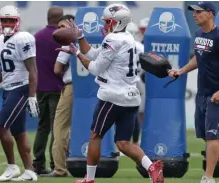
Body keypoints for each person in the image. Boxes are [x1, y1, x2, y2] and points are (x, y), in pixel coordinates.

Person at [57, 4, 164, 183]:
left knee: (95, 136)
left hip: (112, 96)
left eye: (108, 22)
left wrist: (76, 53)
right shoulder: (128, 37)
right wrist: (81, 37)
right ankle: (151, 167)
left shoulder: (113, 39)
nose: (105, 25)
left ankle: (89, 179)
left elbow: (94, 68)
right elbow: (92, 53)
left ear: (118, 22)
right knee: (123, 143)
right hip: (130, 97)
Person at [169, 2, 219, 183]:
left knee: (213, 136)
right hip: (203, 94)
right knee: (207, 136)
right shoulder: (198, 35)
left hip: (216, 96)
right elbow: (198, 58)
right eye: (193, 12)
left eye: (199, 12)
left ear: (210, 14)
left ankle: (208, 177)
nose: (194, 15)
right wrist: (181, 71)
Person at [0, 5, 38, 181]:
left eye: (10, 20)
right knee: (19, 132)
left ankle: (12, 166)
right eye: (4, 20)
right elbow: (2, 70)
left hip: (20, 88)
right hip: (7, 88)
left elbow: (33, 69)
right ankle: (30, 171)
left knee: (1, 126)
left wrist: (31, 95)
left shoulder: (23, 38)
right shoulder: (0, 39)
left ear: (17, 22)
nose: (7, 23)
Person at [41, 14, 74, 177]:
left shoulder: (68, 44)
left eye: (62, 27)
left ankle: (60, 168)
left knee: (60, 127)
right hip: (92, 89)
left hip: (71, 87)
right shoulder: (86, 42)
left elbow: (57, 69)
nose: (59, 31)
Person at [33, 6, 64, 174]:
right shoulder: (61, 37)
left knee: (42, 127)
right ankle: (55, 164)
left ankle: (37, 164)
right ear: (60, 20)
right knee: (57, 128)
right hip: (57, 88)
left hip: (40, 88)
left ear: (47, 17)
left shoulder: (36, 37)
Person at [126, 22, 145, 145]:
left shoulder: (119, 45)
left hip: (122, 82)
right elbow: (144, 67)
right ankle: (135, 142)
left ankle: (123, 141)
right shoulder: (141, 47)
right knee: (135, 114)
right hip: (137, 82)